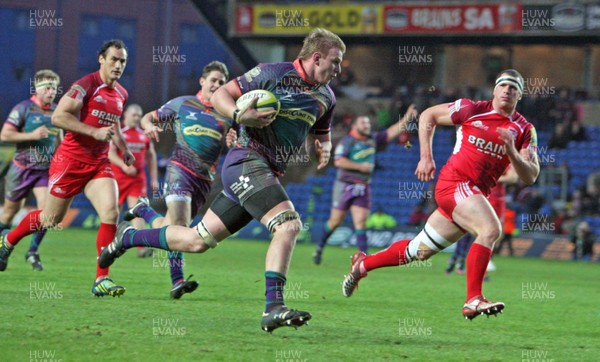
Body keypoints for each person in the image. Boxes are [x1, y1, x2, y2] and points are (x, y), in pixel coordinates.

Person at [99, 28, 345, 332]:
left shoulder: (326, 97)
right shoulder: (272, 73)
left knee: (197, 240)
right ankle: (274, 307)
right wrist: (240, 116)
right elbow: (221, 95)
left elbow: (321, 132)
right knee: (288, 224)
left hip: (265, 171)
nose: (339, 69)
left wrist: (321, 148)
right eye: (335, 61)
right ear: (316, 57)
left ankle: (128, 237)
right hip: (246, 161)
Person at [341, 69, 540, 320]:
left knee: (419, 251)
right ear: (494, 90)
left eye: (514, 87)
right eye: (503, 85)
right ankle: (473, 299)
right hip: (454, 183)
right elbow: (428, 115)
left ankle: (362, 265)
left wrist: (511, 151)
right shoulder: (472, 109)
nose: (507, 90)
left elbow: (530, 175)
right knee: (490, 230)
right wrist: (426, 156)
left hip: (471, 194)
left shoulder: (524, 129)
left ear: (520, 95)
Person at [0, 40, 134, 298]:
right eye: (114, 59)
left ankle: (101, 280)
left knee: (110, 212)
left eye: (123, 61)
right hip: (70, 162)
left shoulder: (122, 94)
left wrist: (123, 147)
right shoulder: (84, 86)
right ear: (101, 59)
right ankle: (8, 240)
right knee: (51, 219)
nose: (118, 65)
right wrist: (94, 131)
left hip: (98, 163)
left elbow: (114, 122)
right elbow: (58, 117)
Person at [123, 60, 234, 299]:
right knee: (181, 226)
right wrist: (148, 127)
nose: (217, 85)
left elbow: (233, 142)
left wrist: (233, 139)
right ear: (202, 81)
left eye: (222, 82)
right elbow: (148, 117)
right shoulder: (183, 103)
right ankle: (178, 280)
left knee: (169, 230)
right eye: (213, 80)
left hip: (204, 180)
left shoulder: (227, 114)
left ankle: (144, 212)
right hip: (179, 170)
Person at [312, 107, 416, 265]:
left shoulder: (372, 139)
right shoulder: (347, 141)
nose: (366, 125)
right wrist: (360, 167)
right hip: (345, 185)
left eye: (368, 123)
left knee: (361, 223)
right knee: (335, 221)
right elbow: (339, 161)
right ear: (354, 126)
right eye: (363, 123)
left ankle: (364, 260)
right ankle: (319, 247)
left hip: (363, 186)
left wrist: (407, 118)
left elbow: (391, 132)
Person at [0, 69, 61, 271]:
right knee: (9, 214)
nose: (52, 92)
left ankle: (32, 251)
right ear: (37, 88)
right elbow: (5, 135)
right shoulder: (24, 108)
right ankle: (3, 248)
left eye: (54, 88)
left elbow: (59, 140)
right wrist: (32, 135)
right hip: (21, 169)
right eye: (48, 87)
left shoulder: (57, 112)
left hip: (44, 171)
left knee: (48, 214)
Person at [107, 103, 158, 258]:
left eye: (139, 115)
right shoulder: (119, 133)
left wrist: (154, 178)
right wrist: (124, 166)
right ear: (126, 116)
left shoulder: (144, 135)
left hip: (138, 179)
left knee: (137, 210)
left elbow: (151, 156)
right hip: (118, 178)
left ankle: (141, 247)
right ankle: (109, 244)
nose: (136, 118)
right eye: (134, 115)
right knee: (112, 211)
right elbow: (110, 153)